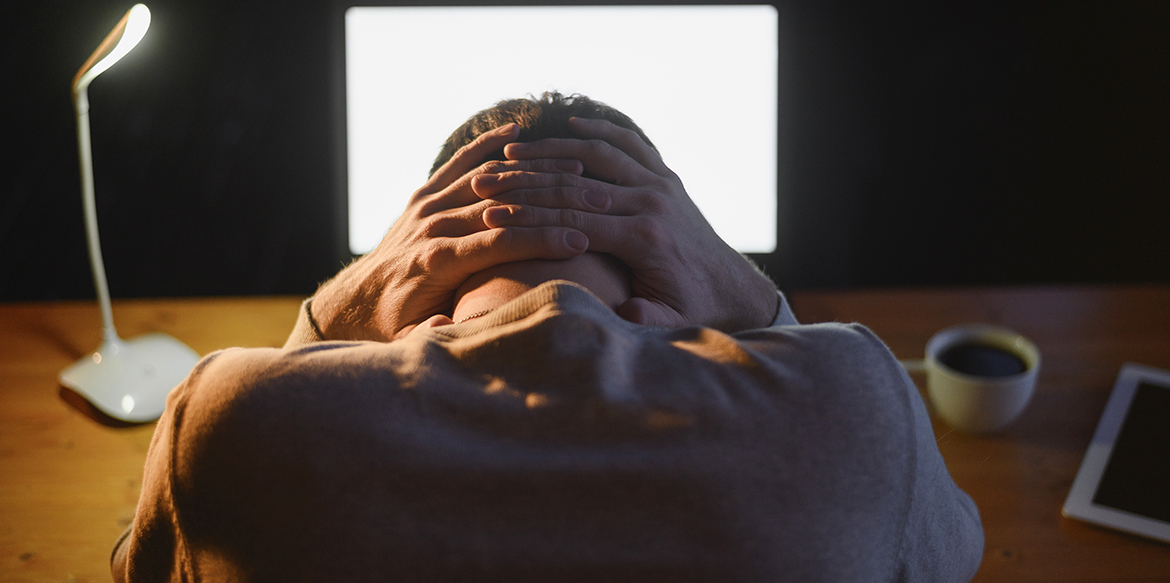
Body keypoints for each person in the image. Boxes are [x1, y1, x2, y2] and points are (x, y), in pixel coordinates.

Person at [112, 92, 983, 582]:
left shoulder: (228, 426)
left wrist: (339, 308)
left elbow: (142, 570)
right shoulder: (856, 405)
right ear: (668, 288)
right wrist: (746, 290)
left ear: (417, 292)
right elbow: (949, 552)